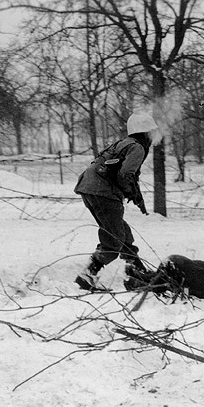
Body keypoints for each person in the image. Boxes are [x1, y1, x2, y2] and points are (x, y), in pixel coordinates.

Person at [74, 112, 160, 291]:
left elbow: (120, 172)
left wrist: (134, 193)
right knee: (114, 239)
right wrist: (131, 192)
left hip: (89, 188)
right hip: (103, 192)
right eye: (151, 133)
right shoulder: (137, 148)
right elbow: (125, 174)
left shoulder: (123, 143)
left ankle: (136, 271)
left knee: (122, 232)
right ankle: (88, 274)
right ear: (144, 133)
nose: (152, 138)